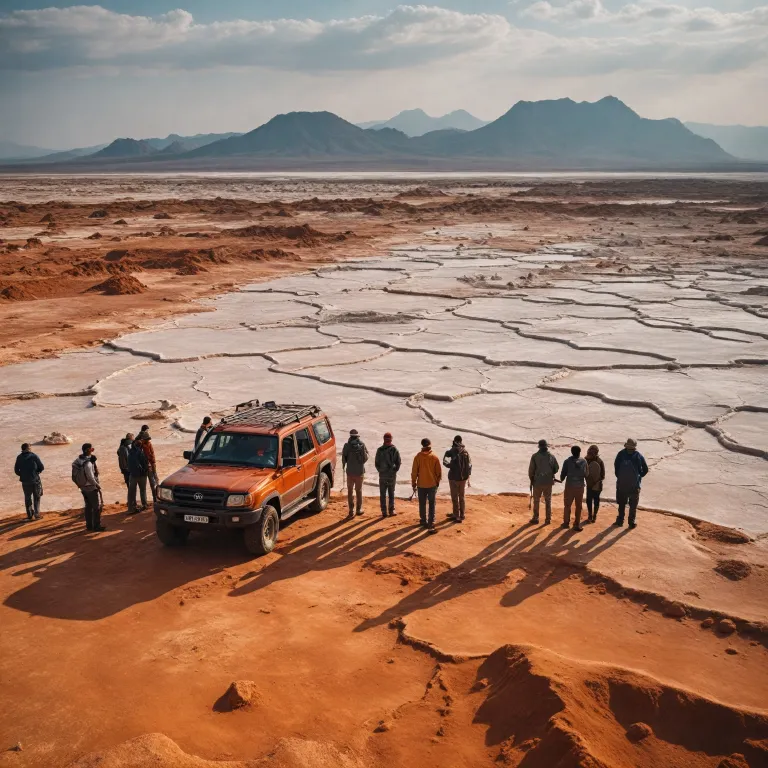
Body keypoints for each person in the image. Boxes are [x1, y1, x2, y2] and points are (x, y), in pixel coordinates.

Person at [614, 438, 649, 529]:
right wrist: (639, 476)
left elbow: (616, 467)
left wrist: (620, 477)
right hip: (634, 486)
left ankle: (620, 521)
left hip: (622, 485)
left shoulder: (621, 454)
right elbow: (645, 469)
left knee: (622, 504)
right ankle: (631, 522)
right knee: (633, 505)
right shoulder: (638, 456)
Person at [72, 443, 105, 532]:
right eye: (91, 449)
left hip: (82, 487)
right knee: (96, 507)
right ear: (87, 450)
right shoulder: (88, 464)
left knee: (88, 506)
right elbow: (90, 477)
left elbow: (74, 476)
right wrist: (97, 485)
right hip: (90, 487)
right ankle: (97, 526)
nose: (92, 451)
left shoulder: (78, 461)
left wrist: (79, 485)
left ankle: (89, 526)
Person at [411, 438, 442, 534]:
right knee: (432, 504)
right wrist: (437, 482)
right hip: (432, 484)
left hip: (421, 484)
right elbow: (439, 472)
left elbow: (414, 472)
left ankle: (423, 520)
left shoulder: (417, 457)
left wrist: (414, 483)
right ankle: (431, 523)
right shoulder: (434, 457)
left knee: (422, 503)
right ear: (430, 444)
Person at [528, 439, 559, 525]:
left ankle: (536, 518)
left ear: (539, 446)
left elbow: (531, 471)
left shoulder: (534, 456)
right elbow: (556, 468)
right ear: (546, 446)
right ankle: (548, 519)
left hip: (537, 482)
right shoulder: (552, 456)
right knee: (548, 500)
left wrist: (532, 480)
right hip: (548, 482)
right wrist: (550, 473)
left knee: (536, 500)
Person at [443, 435, 472, 523]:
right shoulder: (465, 451)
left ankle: (456, 514)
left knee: (454, 496)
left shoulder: (453, 451)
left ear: (454, 441)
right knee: (462, 496)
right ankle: (462, 514)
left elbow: (445, 461)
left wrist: (452, 466)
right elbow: (470, 464)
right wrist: (468, 475)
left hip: (454, 478)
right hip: (463, 478)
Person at [342, 429, 369, 517]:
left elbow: (344, 459)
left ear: (350, 436)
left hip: (350, 473)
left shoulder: (346, 446)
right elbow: (365, 458)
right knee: (359, 491)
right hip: (359, 472)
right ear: (357, 436)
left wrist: (344, 466)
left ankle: (351, 510)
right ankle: (359, 509)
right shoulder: (362, 445)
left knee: (350, 492)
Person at [560, 445, 587, 532]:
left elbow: (563, 474)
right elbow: (587, 474)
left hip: (570, 486)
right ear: (579, 452)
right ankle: (576, 524)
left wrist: (561, 479)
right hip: (579, 487)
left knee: (567, 505)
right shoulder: (584, 461)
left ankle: (566, 523)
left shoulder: (567, 461)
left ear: (572, 452)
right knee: (578, 506)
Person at [14, 443, 44, 521]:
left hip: (25, 481)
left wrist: (23, 475)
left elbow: (16, 470)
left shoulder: (19, 457)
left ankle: (30, 515)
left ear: (22, 449)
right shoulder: (34, 456)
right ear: (29, 448)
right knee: (36, 497)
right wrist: (36, 473)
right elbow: (41, 467)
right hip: (35, 480)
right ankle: (37, 514)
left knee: (27, 498)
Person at [374, 432, 401, 518]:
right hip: (388, 475)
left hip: (385, 475)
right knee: (389, 493)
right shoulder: (392, 450)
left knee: (386, 493)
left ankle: (386, 511)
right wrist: (393, 471)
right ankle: (389, 510)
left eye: (388, 439)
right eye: (387, 439)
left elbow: (377, 463)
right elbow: (398, 462)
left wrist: (381, 471)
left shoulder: (383, 450)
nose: (388, 441)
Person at [127, 438, 150, 515]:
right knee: (143, 490)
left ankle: (131, 508)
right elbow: (145, 463)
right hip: (142, 475)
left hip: (133, 475)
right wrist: (146, 470)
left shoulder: (130, 453)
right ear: (141, 446)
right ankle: (144, 504)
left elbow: (129, 464)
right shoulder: (141, 453)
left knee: (131, 492)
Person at [585, 444, 605, 523]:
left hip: (596, 485)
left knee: (593, 500)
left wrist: (594, 481)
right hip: (592, 485)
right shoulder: (586, 460)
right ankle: (591, 515)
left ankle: (593, 515)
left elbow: (602, 476)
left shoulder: (599, 461)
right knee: (590, 500)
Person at [136, 428, 158, 502]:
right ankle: (155, 498)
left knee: (151, 483)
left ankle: (154, 499)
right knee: (154, 482)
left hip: (149, 466)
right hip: (151, 465)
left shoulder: (145, 445)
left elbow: (149, 456)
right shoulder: (147, 444)